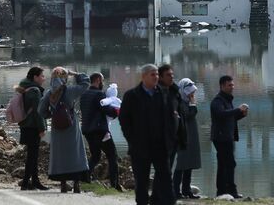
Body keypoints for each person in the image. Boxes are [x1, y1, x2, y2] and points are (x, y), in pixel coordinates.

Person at [119, 64, 176, 205]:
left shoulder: (163, 93)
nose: (156, 77)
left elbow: (171, 117)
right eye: (152, 74)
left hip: (161, 145)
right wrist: (132, 139)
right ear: (143, 76)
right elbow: (124, 120)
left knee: (166, 178)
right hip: (140, 146)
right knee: (142, 180)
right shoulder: (132, 95)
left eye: (157, 74)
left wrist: (170, 138)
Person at [38, 67, 90, 193]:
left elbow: (40, 110)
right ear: (64, 78)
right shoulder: (70, 91)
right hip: (71, 126)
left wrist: (51, 115)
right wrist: (76, 74)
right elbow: (85, 83)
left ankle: (63, 184)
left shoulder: (49, 93)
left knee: (60, 154)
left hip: (57, 127)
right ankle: (77, 184)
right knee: (75, 153)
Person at [80, 73, 120, 190]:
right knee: (112, 155)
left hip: (87, 130)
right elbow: (107, 110)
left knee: (96, 156)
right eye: (102, 80)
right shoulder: (99, 94)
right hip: (100, 130)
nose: (103, 83)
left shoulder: (84, 94)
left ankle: (85, 177)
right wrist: (117, 111)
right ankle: (114, 184)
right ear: (98, 80)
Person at [210, 75, 248, 199]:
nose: (232, 87)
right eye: (229, 85)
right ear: (222, 86)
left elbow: (229, 117)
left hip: (227, 137)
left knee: (224, 164)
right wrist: (237, 110)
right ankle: (230, 191)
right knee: (229, 164)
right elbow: (221, 114)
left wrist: (241, 114)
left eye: (232, 84)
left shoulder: (227, 100)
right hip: (221, 138)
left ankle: (222, 191)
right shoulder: (217, 101)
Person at [17, 66, 48, 191]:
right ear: (35, 77)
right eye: (42, 76)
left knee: (32, 155)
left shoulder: (24, 87)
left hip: (25, 124)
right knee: (32, 155)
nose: (43, 79)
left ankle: (34, 181)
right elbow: (38, 112)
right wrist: (42, 128)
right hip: (33, 126)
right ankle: (26, 182)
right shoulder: (34, 91)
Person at [173, 78, 201, 199]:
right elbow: (187, 115)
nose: (191, 94)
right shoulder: (179, 102)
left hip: (191, 136)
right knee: (181, 165)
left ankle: (186, 189)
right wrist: (193, 105)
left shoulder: (187, 102)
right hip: (182, 136)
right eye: (189, 92)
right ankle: (175, 191)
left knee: (189, 164)